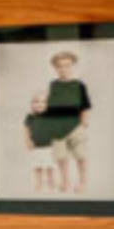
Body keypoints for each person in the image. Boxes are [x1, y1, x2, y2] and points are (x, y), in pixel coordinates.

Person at [24, 51, 94, 196]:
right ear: (55, 68)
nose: (64, 69)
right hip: (56, 128)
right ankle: (65, 181)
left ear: (73, 66)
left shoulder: (79, 85)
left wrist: (84, 123)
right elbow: (48, 105)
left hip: (75, 126)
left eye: (67, 66)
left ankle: (83, 182)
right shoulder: (53, 85)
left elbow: (86, 105)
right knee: (61, 158)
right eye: (60, 66)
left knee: (81, 156)